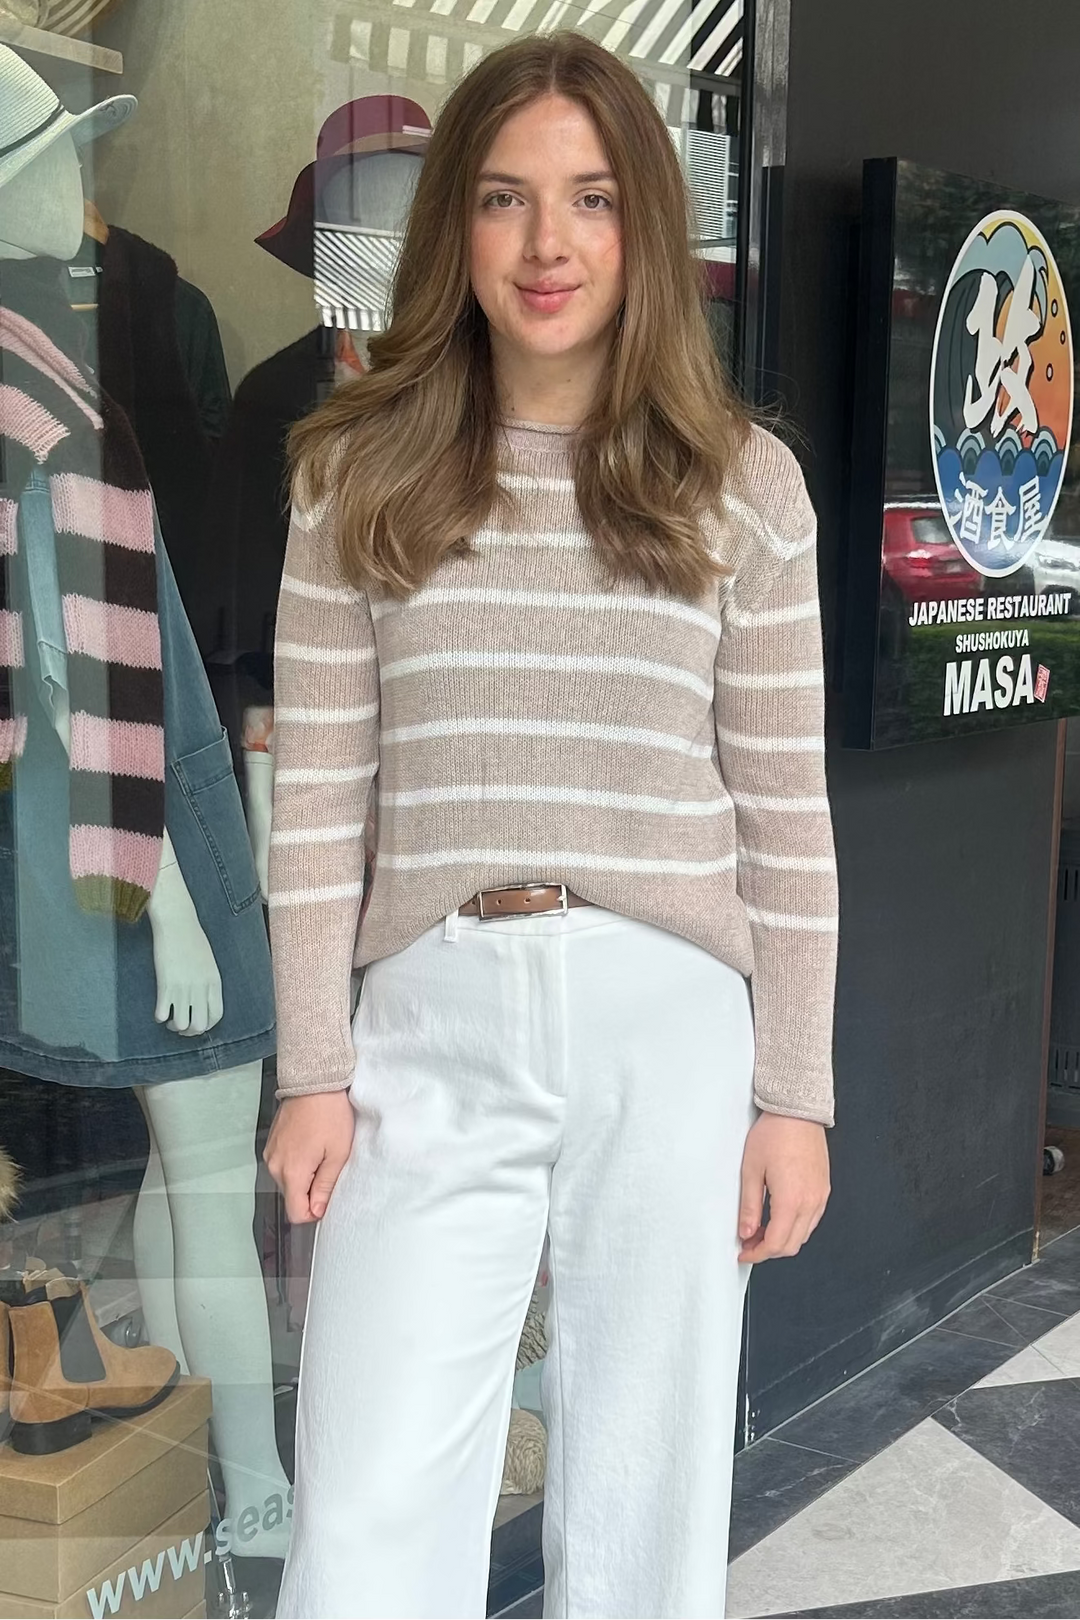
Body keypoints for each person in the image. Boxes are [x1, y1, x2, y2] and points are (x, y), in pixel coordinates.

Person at [264, 29, 838, 1620]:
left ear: (644, 224)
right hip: (428, 1020)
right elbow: (314, 805)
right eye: (505, 197)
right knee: (364, 1515)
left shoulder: (742, 486)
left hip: (671, 1026)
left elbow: (785, 819)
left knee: (647, 1507)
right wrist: (312, 1066)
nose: (547, 243)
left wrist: (795, 1094)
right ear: (454, 223)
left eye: (591, 198)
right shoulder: (355, 478)